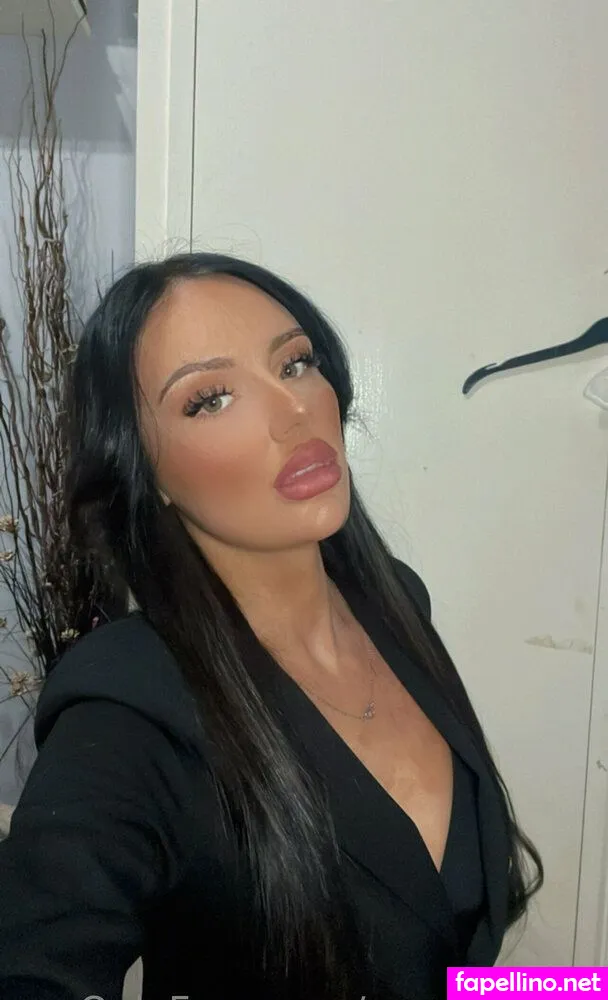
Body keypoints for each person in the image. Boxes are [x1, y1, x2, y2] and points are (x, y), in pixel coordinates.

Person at [0, 253, 542, 1000]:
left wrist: (579, 990)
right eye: (210, 399)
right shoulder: (129, 707)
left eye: (295, 364)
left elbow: (452, 965)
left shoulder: (395, 605)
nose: (294, 410)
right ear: (145, 471)